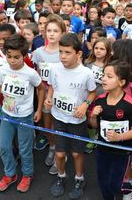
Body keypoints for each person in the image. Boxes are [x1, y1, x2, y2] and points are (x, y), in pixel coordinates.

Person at [0, 34, 45, 193]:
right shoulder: (3, 69)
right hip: (6, 114)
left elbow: (41, 88)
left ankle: (27, 175)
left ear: (24, 56)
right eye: (9, 56)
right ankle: (10, 174)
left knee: (24, 149)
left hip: (25, 117)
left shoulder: (30, 73)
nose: (12, 60)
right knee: (4, 146)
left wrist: (39, 110)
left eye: (16, 57)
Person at [45, 33, 96, 199]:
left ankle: (79, 178)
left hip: (77, 121)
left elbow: (92, 92)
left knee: (76, 153)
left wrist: (85, 105)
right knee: (60, 154)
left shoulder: (86, 73)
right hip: (58, 117)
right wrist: (48, 98)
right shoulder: (54, 69)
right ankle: (61, 176)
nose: (63, 56)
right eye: (60, 52)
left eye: (67, 52)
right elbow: (52, 86)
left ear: (79, 54)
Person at [89, 60, 132, 200]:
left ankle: (129, 189)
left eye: (109, 76)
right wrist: (93, 116)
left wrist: (119, 137)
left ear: (121, 82)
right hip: (102, 149)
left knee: (115, 185)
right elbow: (94, 126)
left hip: (122, 152)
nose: (103, 79)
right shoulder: (99, 100)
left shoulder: (130, 104)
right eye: (103, 75)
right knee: (103, 183)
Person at [32, 15, 66, 174]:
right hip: (44, 96)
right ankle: (52, 147)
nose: (52, 34)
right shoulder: (38, 53)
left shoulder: (65, 52)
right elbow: (38, 75)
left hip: (60, 96)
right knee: (47, 126)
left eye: (56, 31)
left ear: (62, 33)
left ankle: (61, 154)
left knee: (58, 126)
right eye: (49, 30)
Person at [84, 38, 112, 154]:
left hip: (104, 97)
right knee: (89, 118)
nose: (98, 51)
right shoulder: (87, 63)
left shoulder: (110, 66)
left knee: (102, 118)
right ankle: (92, 138)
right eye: (96, 48)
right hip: (89, 96)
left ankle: (102, 138)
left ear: (108, 51)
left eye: (102, 49)